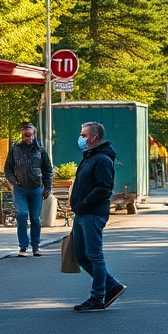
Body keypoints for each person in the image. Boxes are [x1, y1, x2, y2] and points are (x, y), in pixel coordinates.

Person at [70, 121, 126, 311]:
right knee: (81, 256)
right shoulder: (89, 156)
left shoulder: (101, 159)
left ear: (94, 137)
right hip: (82, 213)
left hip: (92, 213)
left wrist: (85, 203)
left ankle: (97, 296)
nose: (81, 138)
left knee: (94, 255)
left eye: (84, 135)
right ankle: (112, 286)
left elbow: (104, 187)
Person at [3, 122, 52, 256]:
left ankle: (35, 246)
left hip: (36, 189)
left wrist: (48, 187)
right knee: (22, 214)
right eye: (24, 135)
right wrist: (13, 181)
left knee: (35, 218)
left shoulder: (40, 150)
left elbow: (48, 169)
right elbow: (7, 168)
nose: (26, 138)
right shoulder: (15, 149)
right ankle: (23, 246)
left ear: (33, 135)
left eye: (28, 135)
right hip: (20, 189)